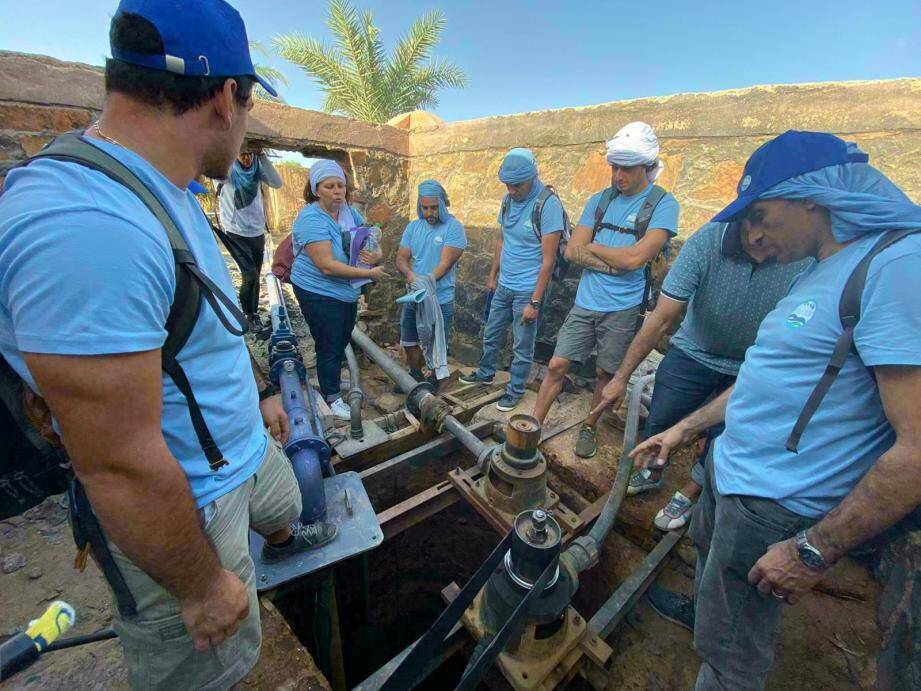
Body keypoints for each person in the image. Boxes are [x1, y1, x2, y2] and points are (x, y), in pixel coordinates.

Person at [0, 1, 339, 687]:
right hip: (191, 507)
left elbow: (205, 321)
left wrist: (264, 388)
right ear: (223, 97)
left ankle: (279, 538)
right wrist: (200, 586)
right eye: (247, 106)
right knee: (212, 669)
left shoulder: (171, 186)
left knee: (287, 504)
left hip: (245, 449)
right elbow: (119, 464)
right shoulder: (89, 228)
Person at [630, 131, 921, 689]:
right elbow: (769, 380)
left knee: (733, 654)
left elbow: (916, 448)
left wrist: (813, 550)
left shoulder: (893, 267)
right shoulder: (823, 267)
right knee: (713, 571)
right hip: (732, 472)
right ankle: (703, 615)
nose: (754, 234)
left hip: (773, 500)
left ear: (811, 197)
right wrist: (682, 431)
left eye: (761, 214)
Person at [590, 220, 810, 530]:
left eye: (770, 226)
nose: (761, 237)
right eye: (754, 225)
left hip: (752, 363)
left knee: (726, 435)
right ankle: (652, 471)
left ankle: (692, 490)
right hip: (694, 350)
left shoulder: (801, 252)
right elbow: (660, 319)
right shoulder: (708, 242)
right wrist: (621, 378)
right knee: (663, 415)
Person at [531, 122, 679, 459]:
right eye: (614, 167)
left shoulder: (663, 206)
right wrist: (617, 262)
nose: (618, 176)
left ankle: (589, 427)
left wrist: (597, 249)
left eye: (626, 169)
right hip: (586, 301)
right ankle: (534, 424)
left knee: (605, 373)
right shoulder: (600, 200)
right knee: (556, 364)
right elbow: (572, 252)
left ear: (646, 167)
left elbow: (637, 258)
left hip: (624, 307)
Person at [459, 148, 563, 412]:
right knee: (492, 333)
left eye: (516, 184)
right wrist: (493, 275)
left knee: (522, 345)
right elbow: (503, 239)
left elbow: (548, 261)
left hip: (528, 289)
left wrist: (535, 302)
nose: (512, 189)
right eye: (507, 184)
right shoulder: (508, 201)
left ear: (531, 177)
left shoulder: (547, 205)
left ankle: (515, 390)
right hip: (505, 284)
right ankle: (485, 373)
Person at [290, 159, 386, 420]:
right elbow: (327, 266)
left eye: (340, 186)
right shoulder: (311, 219)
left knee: (342, 336)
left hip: (346, 290)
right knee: (329, 342)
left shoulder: (349, 213)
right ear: (315, 189)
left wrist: (375, 254)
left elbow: (370, 242)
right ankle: (331, 397)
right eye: (329, 186)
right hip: (317, 290)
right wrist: (368, 273)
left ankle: (330, 380)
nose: (337, 191)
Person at [396, 179, 467, 381]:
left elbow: (445, 264)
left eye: (434, 208)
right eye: (424, 208)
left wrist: (424, 282)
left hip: (440, 298)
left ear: (443, 205)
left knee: (437, 344)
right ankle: (416, 376)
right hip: (413, 296)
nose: (429, 213)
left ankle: (435, 381)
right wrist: (410, 276)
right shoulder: (413, 227)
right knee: (408, 339)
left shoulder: (453, 228)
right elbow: (401, 257)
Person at [215, 147, 283, 333]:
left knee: (256, 274)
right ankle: (247, 314)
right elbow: (218, 171)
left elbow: (276, 183)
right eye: (242, 153)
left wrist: (261, 155)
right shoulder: (228, 173)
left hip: (256, 231)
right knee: (249, 275)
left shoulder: (258, 170)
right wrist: (233, 145)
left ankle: (253, 314)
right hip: (235, 231)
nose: (246, 158)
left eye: (249, 154)